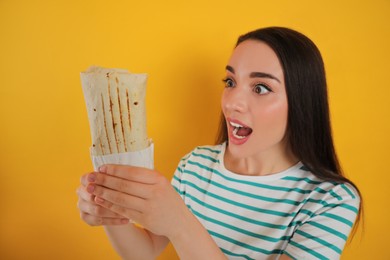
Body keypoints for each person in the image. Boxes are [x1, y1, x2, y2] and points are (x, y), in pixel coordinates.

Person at [77, 27, 362, 260]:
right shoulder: (195, 164)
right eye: (229, 82)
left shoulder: (331, 200)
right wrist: (110, 210)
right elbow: (145, 251)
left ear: (302, 103)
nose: (232, 101)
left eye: (260, 87)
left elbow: (179, 228)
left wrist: (180, 224)